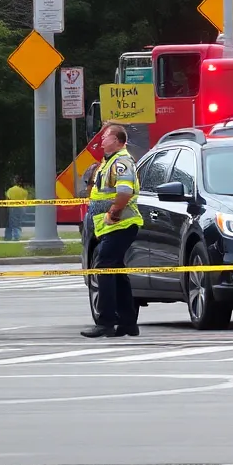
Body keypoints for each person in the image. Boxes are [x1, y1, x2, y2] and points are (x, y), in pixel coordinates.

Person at [81, 122, 144, 338]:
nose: (101, 140)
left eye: (106, 136)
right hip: (113, 226)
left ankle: (106, 322)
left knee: (104, 266)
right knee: (116, 271)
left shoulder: (121, 162)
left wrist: (113, 214)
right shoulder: (109, 162)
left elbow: (125, 192)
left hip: (121, 224)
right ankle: (128, 323)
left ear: (117, 141)